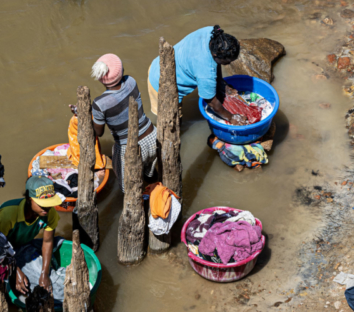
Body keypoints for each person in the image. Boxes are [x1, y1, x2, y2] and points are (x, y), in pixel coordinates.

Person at [91, 53, 157, 193]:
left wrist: (86, 117)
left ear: (101, 78)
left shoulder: (99, 103)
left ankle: (142, 202)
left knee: (129, 189)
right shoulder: (131, 81)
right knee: (151, 175)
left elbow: (98, 132)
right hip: (152, 136)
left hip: (129, 149)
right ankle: (157, 193)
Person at [148, 25, 241, 123]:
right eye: (226, 62)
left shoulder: (212, 33)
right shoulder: (205, 71)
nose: (228, 64)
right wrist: (231, 117)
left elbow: (215, 62)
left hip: (160, 63)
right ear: (215, 55)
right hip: (161, 83)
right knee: (173, 122)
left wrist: (221, 83)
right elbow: (212, 103)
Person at [0, 176, 62, 295]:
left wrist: (44, 273)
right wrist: (16, 270)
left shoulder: (49, 213)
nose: (47, 208)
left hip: (24, 243)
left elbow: (48, 241)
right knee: (24, 282)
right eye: (42, 204)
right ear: (29, 199)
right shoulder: (8, 214)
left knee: (58, 242)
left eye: (49, 204)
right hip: (2, 249)